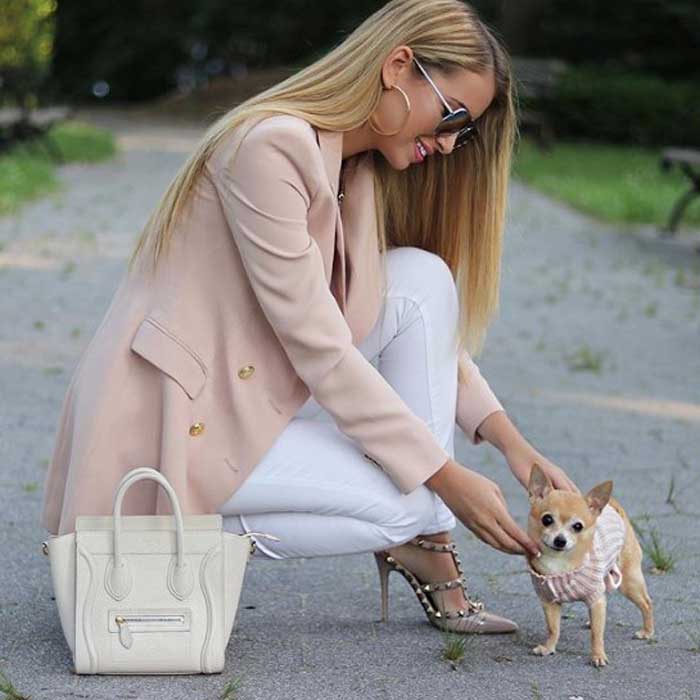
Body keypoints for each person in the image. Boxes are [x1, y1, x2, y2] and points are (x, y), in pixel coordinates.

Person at [40, 0, 579, 636]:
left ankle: (424, 532)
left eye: (465, 132)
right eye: (452, 116)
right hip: (174, 427)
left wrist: (511, 442)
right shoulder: (271, 148)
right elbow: (319, 346)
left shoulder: (358, 169)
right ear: (398, 67)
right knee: (408, 502)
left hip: (243, 399)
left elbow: (406, 323)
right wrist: (445, 480)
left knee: (420, 279)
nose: (449, 143)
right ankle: (185, 524)